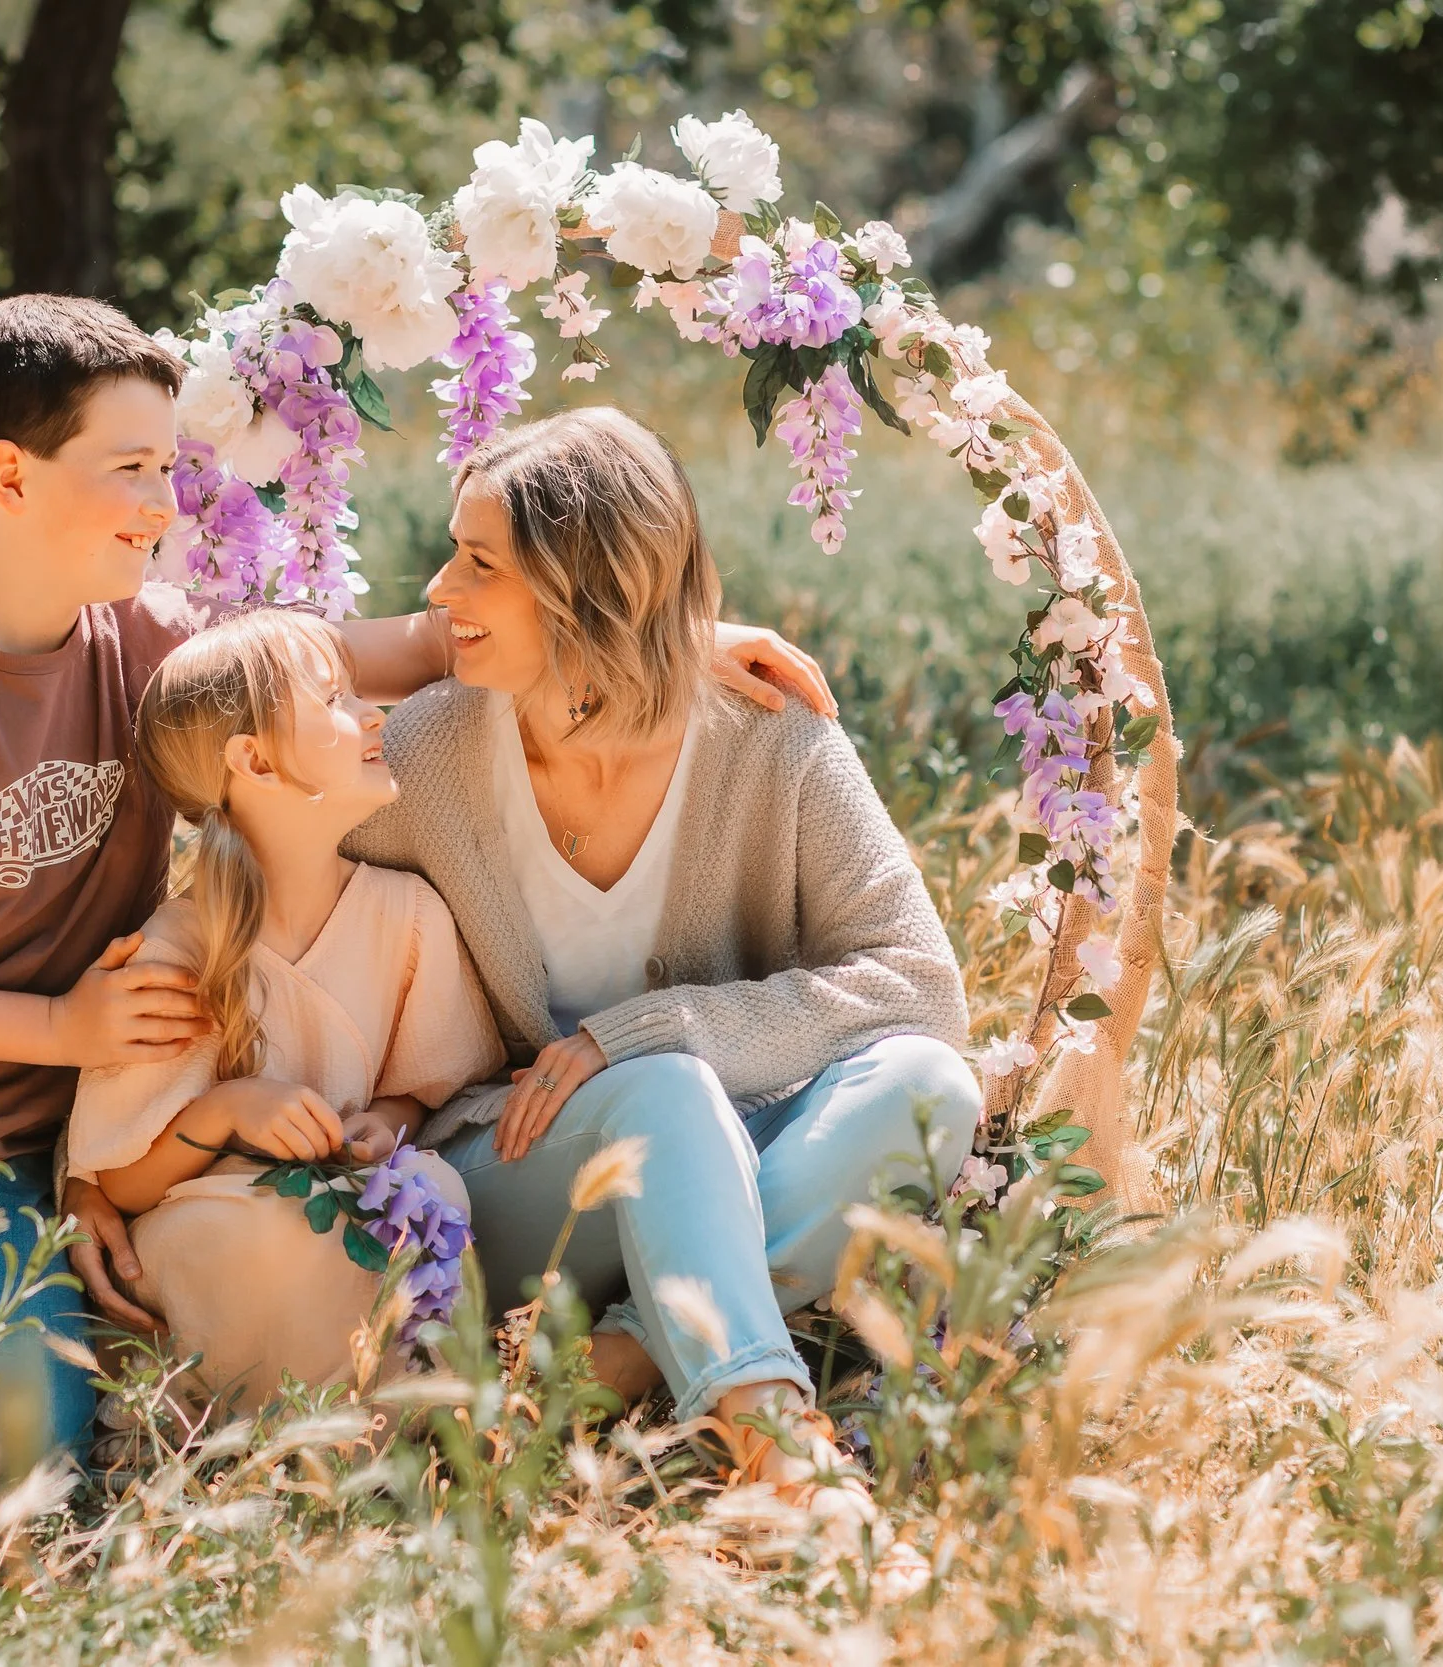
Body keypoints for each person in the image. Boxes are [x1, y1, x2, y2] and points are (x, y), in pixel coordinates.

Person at [0, 294, 832, 1463]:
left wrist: (675, 640)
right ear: (11, 479)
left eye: (169, 464)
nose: (166, 501)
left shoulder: (155, 648)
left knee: (27, 1453)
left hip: (0, 1137)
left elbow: (436, 639)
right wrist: (64, 1025)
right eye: (130, 468)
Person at [344, 406, 980, 1498]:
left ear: (588, 591)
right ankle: (779, 1451)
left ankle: (618, 1361)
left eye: (478, 562)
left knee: (928, 1086)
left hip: (732, 1140)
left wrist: (639, 1028)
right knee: (662, 1091)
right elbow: (226, 740)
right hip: (529, 1176)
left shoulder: (771, 739)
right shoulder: (427, 752)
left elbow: (916, 982)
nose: (440, 589)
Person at [68, 609, 500, 1413]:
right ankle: (251, 1431)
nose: (375, 714)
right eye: (337, 699)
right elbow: (122, 1182)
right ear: (255, 761)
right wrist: (230, 1108)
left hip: (342, 1211)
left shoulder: (406, 915)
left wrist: (383, 1117)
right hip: (215, 1237)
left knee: (436, 1187)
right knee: (275, 1234)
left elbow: (433, 1088)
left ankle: (375, 1435)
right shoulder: (182, 946)